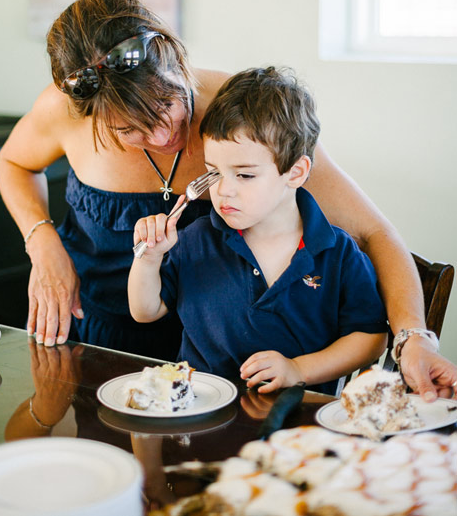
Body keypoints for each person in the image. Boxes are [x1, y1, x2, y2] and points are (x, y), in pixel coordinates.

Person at [0, 0, 457, 398]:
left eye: (166, 105)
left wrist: (413, 336)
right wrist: (43, 243)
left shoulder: (247, 121)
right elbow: (13, 164)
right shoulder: (64, 109)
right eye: (128, 130)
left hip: (220, 363)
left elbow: (374, 233)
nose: (160, 135)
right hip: (100, 335)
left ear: (175, 59)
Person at [128, 67, 388, 395]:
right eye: (214, 172)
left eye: (245, 176)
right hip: (200, 419)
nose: (223, 191)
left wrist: (298, 369)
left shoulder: (337, 254)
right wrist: (149, 258)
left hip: (296, 427)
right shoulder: (195, 239)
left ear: (295, 172)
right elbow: (145, 311)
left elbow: (371, 338)